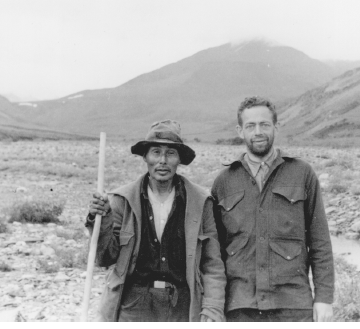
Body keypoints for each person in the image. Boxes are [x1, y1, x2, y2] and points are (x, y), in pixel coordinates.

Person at [85, 120, 226, 322]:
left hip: (182, 306)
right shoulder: (121, 200)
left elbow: (212, 264)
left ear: (179, 159)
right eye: (156, 152)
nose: (163, 161)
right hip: (133, 306)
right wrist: (101, 218)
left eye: (170, 153)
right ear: (145, 157)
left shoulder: (200, 203)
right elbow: (104, 258)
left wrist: (212, 309)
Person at [211, 96, 335, 322]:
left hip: (292, 306)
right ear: (240, 131)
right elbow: (214, 255)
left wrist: (324, 298)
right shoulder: (223, 182)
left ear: (276, 127)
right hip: (240, 307)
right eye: (251, 126)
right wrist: (213, 306)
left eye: (264, 124)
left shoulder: (302, 174)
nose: (258, 132)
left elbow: (320, 240)